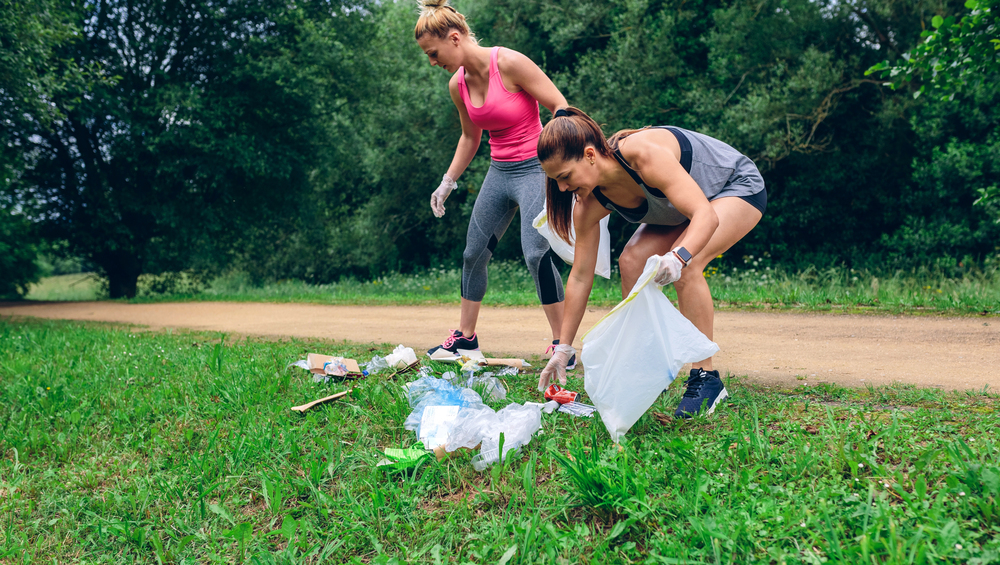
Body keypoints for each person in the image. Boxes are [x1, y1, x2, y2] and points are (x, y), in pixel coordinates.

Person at [535, 107, 767, 418]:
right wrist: (564, 347)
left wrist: (678, 256)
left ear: (590, 155)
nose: (563, 188)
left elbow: (704, 216)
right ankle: (652, 367)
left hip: (734, 187)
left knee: (689, 263)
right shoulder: (587, 203)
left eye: (565, 177)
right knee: (630, 262)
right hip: (682, 209)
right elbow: (579, 276)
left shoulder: (642, 155)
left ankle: (706, 378)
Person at [414, 0, 573, 363]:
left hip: (535, 168)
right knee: (474, 253)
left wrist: (563, 164)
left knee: (536, 253)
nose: (433, 62)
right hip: (499, 172)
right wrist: (447, 182)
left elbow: (560, 107)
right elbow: (470, 138)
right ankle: (466, 339)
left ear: (455, 38)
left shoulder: (510, 63)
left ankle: (562, 344)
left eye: (434, 53)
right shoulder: (458, 85)